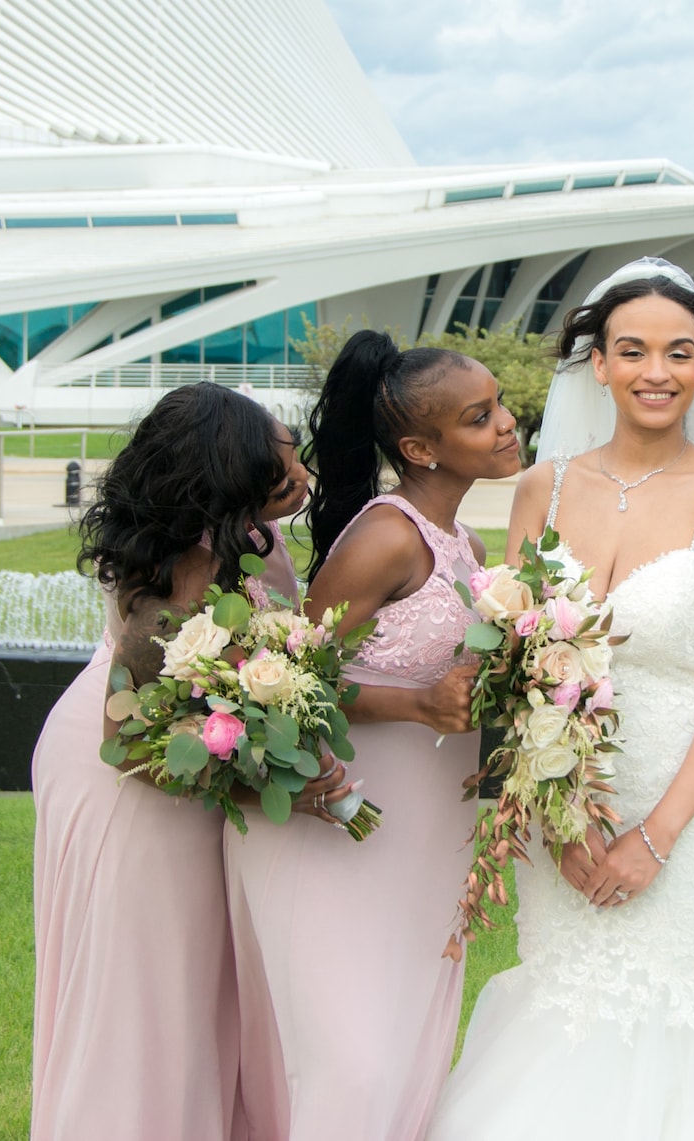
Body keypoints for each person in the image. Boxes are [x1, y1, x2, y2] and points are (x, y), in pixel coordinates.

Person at [429, 259, 694, 1141]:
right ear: (599, 365)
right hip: (567, 813)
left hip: (688, 814)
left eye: (680, 352)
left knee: (684, 1026)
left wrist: (656, 835)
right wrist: (562, 814)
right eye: (634, 351)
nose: (657, 371)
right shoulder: (541, 489)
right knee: (568, 1013)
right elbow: (523, 662)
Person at [31, 382, 347, 1141]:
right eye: (272, 454)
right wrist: (275, 779)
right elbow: (128, 734)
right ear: (224, 466)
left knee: (198, 985)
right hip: (130, 778)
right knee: (141, 986)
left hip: (182, 764)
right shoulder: (183, 561)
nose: (292, 467)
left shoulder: (244, 541)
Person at [226, 331, 520, 1141]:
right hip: (347, 816)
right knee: (353, 1060)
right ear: (421, 448)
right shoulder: (385, 536)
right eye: (480, 415)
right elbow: (287, 683)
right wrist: (419, 704)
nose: (506, 423)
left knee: (406, 1041)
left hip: (430, 826)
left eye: (499, 403)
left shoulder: (467, 545)